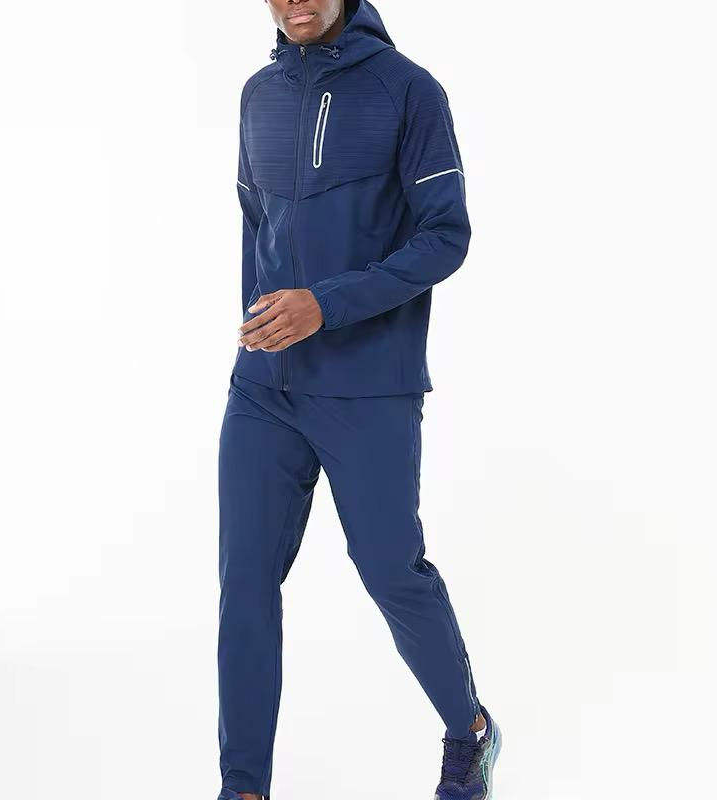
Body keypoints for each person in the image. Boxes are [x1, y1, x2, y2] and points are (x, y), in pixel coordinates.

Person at [217, 2, 500, 798]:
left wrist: (326, 305)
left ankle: (471, 730)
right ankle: (243, 785)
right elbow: (255, 225)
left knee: (389, 571)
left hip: (369, 386)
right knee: (244, 586)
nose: (294, 1)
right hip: (264, 389)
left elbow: (446, 235)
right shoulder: (258, 94)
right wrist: (260, 326)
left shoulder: (408, 91)